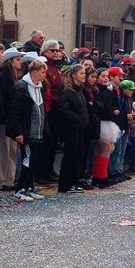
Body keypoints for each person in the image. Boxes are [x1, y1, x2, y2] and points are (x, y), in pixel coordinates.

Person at [7, 59, 49, 202]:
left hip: (38, 131)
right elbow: (15, 112)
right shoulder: (22, 87)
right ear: (34, 72)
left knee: (34, 160)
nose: (45, 75)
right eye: (43, 72)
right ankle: (20, 188)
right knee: (27, 160)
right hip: (27, 131)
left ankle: (29, 187)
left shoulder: (39, 87)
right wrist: (18, 132)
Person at [0, 47, 25, 191]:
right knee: (3, 151)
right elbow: (3, 99)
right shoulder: (3, 76)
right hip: (4, 118)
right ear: (10, 61)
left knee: (12, 150)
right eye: (17, 59)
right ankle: (0, 180)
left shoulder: (15, 76)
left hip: (12, 119)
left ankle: (10, 179)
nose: (20, 62)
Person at [57, 64, 89, 193]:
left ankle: (74, 181)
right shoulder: (67, 91)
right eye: (81, 73)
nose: (84, 76)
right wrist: (78, 119)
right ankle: (66, 184)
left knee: (77, 156)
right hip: (71, 129)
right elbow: (64, 110)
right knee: (70, 156)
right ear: (74, 75)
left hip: (80, 129)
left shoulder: (78, 90)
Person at [40, 40, 64, 184]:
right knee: (46, 143)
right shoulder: (46, 68)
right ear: (44, 52)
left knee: (53, 143)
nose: (56, 53)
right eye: (52, 50)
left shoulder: (56, 68)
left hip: (57, 109)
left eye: (57, 50)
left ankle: (49, 170)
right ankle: (42, 172)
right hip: (48, 109)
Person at [92, 68, 121, 188]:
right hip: (102, 121)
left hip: (107, 120)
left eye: (106, 76)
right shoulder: (98, 91)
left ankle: (99, 175)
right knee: (105, 148)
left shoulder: (109, 90)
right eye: (102, 76)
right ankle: (101, 177)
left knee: (104, 149)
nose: (105, 78)